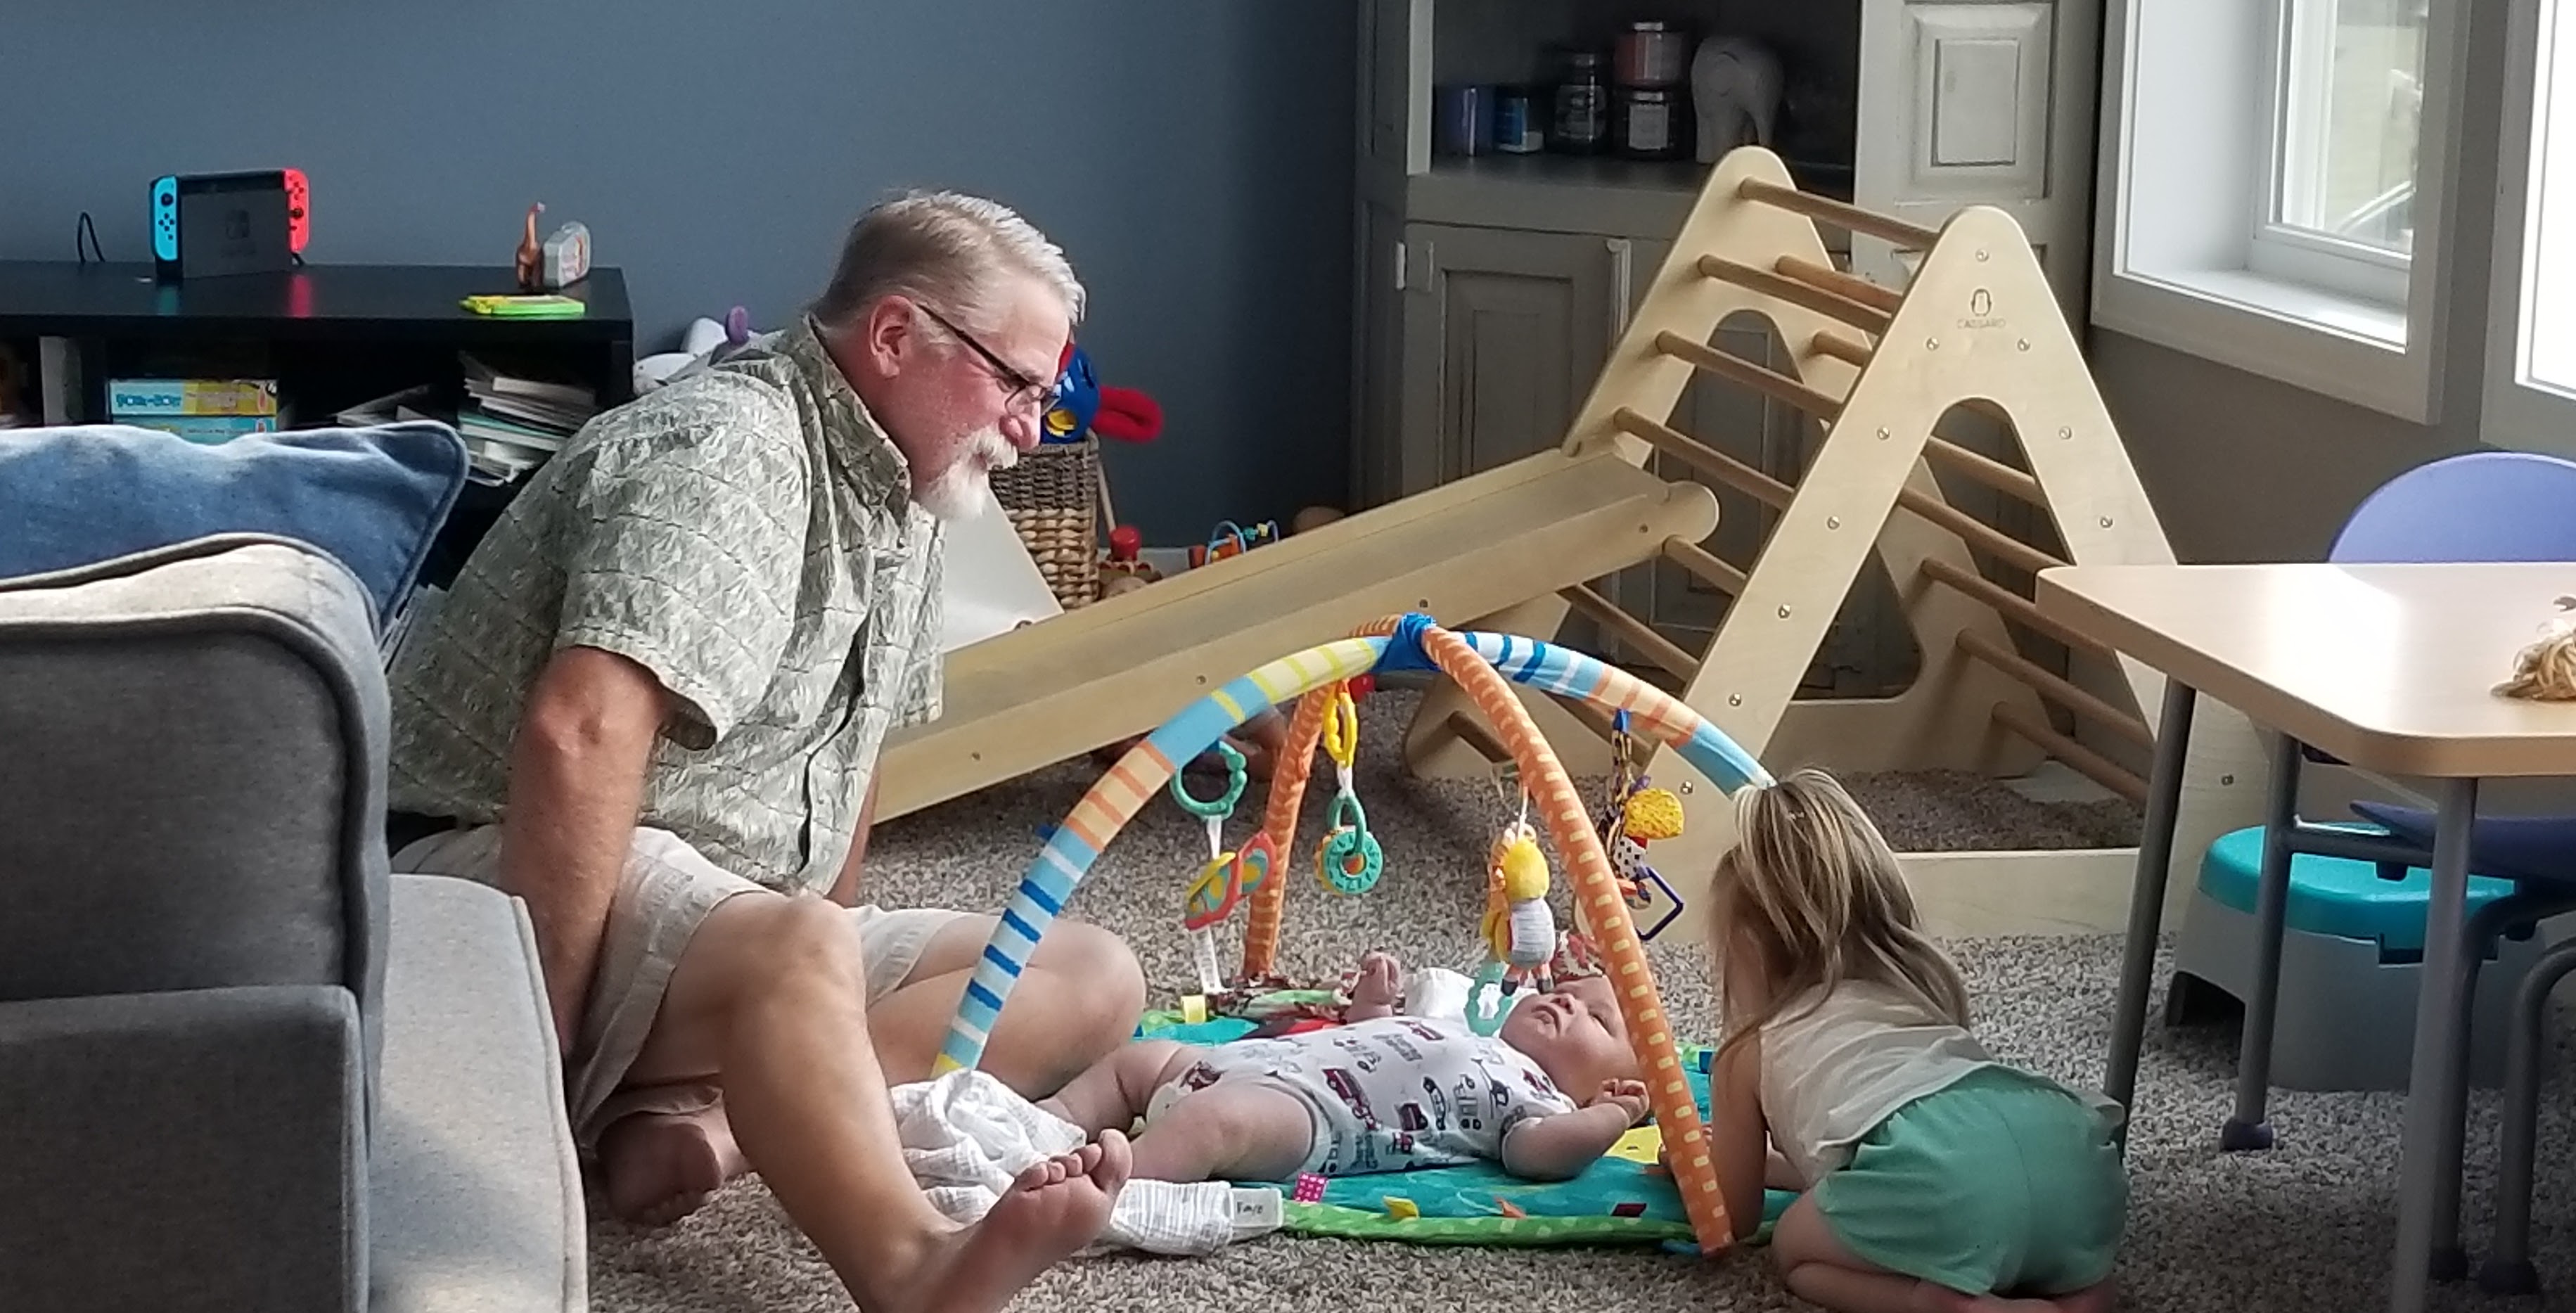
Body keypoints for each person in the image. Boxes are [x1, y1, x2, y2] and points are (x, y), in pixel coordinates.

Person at [383, 189, 1149, 1313]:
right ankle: (911, 1266)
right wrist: (525, 1063)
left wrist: (816, 965)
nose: (1031, 428)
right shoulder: (728, 450)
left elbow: (853, 753)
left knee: (1092, 974)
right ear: (896, 336)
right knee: (799, 944)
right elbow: (579, 734)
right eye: (1016, 384)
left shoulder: (914, 488)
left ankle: (717, 1124)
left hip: (708, 909)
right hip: (490, 870)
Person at [1702, 771, 2128, 1313]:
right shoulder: (1918, 990)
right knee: (2006, 1225)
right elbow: (1877, 1153)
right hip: (2067, 1153)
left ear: (1748, 949)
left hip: (1940, 1179)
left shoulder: (1748, 1049)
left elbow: (1733, 1216)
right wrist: (1768, 1163)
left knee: (1795, 1246)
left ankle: (1948, 1304)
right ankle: (2081, 1292)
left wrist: (1697, 1170)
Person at [1040, 951, 1648, 1184]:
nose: (1569, 1002)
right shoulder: (1461, 1029)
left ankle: (1110, 1185)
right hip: (1249, 1062)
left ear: (1602, 1086)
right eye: (1569, 992)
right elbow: (1368, 1039)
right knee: (1143, 1060)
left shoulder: (1543, 1101)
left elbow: (1538, 1155)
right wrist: (1374, 1005)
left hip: (1314, 1117)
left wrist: (1608, 1118)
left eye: (1599, 1020)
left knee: (1216, 1122)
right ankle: (1044, 1121)